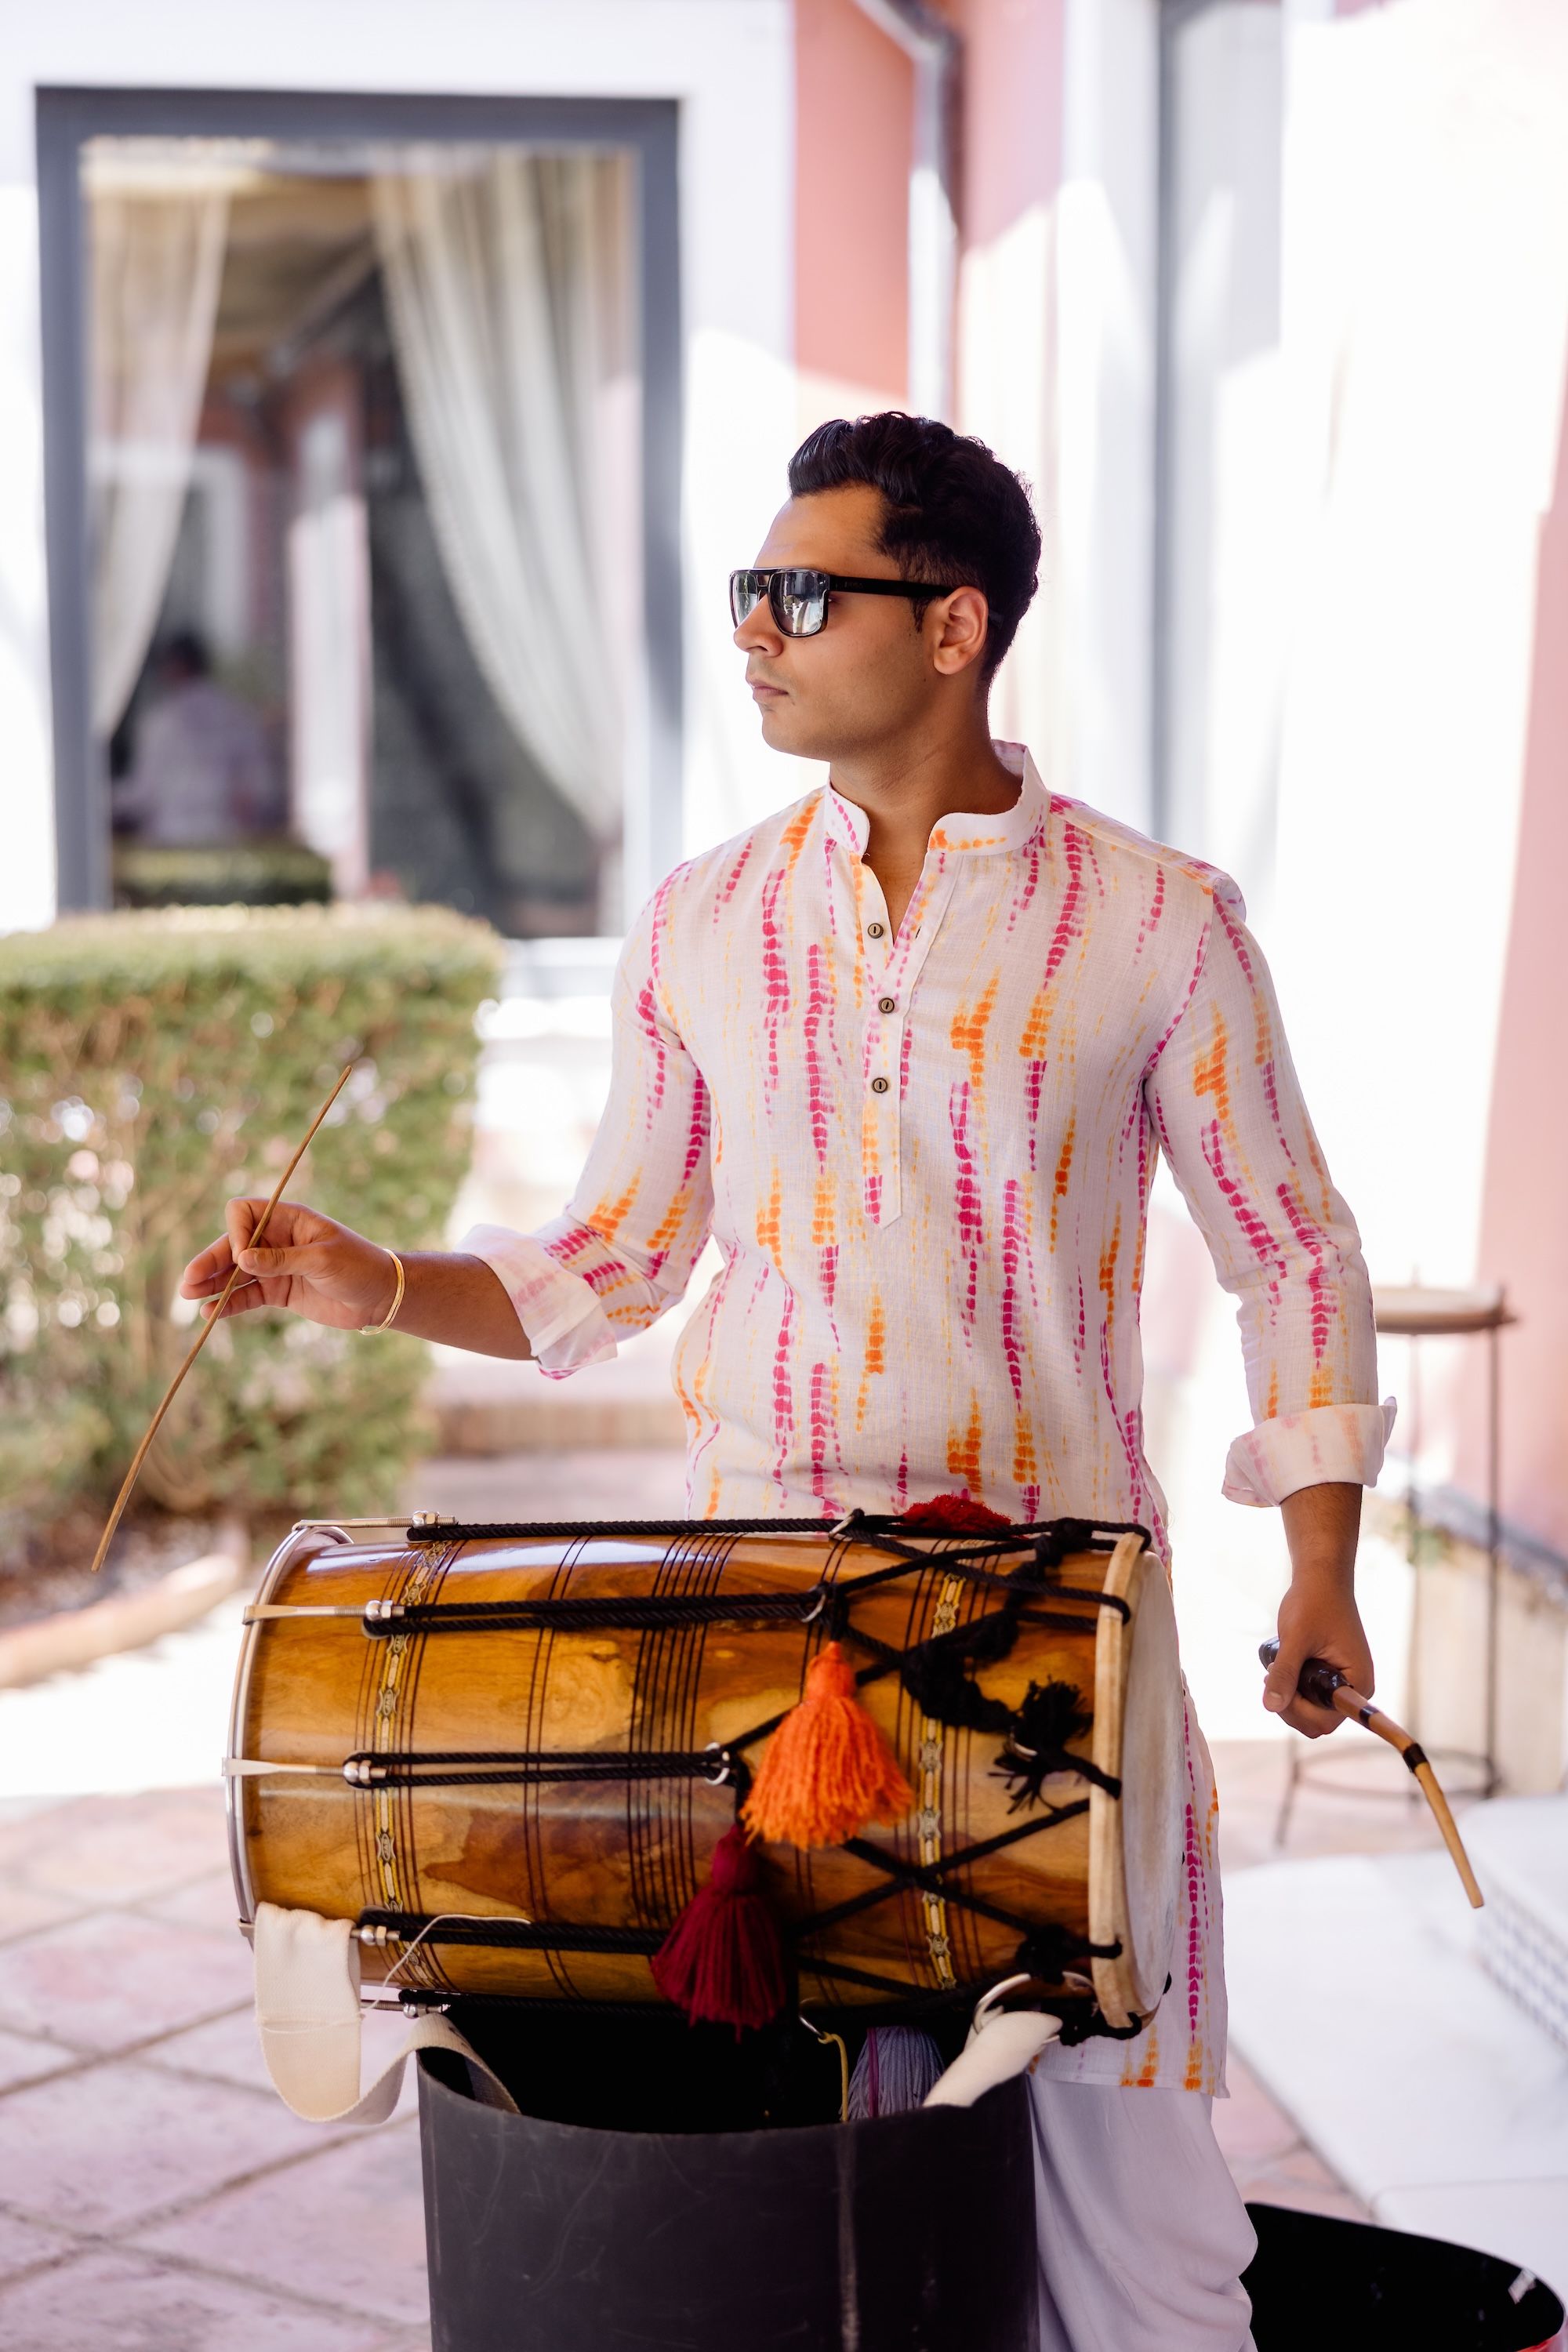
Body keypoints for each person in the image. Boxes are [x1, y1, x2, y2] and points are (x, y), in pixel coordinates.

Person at [182, 413, 1388, 2352]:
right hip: (756, 1625)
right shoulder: (702, 916)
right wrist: (370, 1277)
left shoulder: (1160, 921)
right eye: (746, 589)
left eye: (797, 592)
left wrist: (1316, 1564)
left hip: (1050, 1628)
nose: (751, 627)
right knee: (797, 2162)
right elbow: (618, 1256)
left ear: (951, 625)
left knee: (1135, 2215)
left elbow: (1291, 1250)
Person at [116, 630, 278, 844]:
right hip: (226, 845)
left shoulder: (159, 723)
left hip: (171, 845)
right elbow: (261, 789)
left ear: (173, 668)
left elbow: (144, 794)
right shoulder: (239, 716)